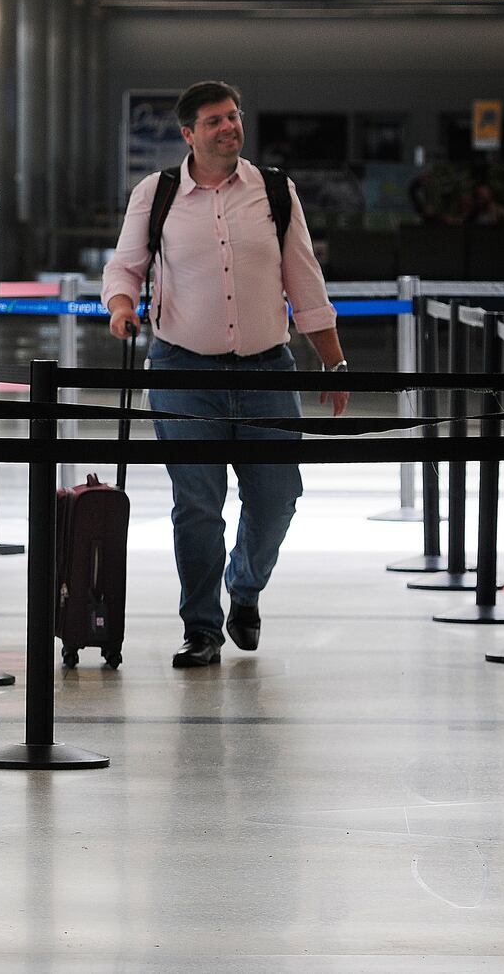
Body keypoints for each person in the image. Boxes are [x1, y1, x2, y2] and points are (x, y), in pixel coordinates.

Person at [101, 80, 349, 668]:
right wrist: (120, 305)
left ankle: (245, 587)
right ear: (189, 134)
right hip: (183, 370)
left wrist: (333, 361)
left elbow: (305, 281)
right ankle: (202, 627)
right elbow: (126, 263)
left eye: (233, 117)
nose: (229, 127)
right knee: (197, 505)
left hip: (268, 371)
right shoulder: (156, 193)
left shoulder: (275, 192)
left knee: (277, 497)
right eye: (214, 120)